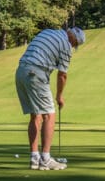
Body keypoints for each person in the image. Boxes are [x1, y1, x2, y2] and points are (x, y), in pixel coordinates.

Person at [15, 27, 85, 170]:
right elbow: (62, 75)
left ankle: (34, 158)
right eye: (75, 44)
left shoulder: (48, 32)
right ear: (73, 39)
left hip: (21, 72)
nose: (73, 47)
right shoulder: (66, 45)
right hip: (36, 73)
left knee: (36, 116)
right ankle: (46, 159)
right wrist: (59, 95)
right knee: (49, 115)